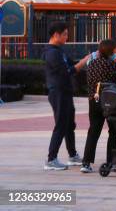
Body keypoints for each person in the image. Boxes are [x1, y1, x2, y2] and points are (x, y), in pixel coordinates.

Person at [42, 22, 90, 171]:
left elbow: (72, 64)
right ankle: (51, 159)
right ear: (56, 35)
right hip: (58, 92)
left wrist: (85, 60)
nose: (67, 37)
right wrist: (84, 62)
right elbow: (68, 71)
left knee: (70, 125)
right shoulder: (52, 53)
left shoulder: (59, 51)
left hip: (65, 92)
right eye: (65, 34)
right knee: (61, 125)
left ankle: (73, 155)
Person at [80, 39, 116, 173]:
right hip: (109, 102)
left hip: (93, 101)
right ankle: (111, 161)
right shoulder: (112, 64)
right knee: (113, 131)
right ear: (111, 51)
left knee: (93, 131)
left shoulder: (91, 64)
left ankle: (86, 163)